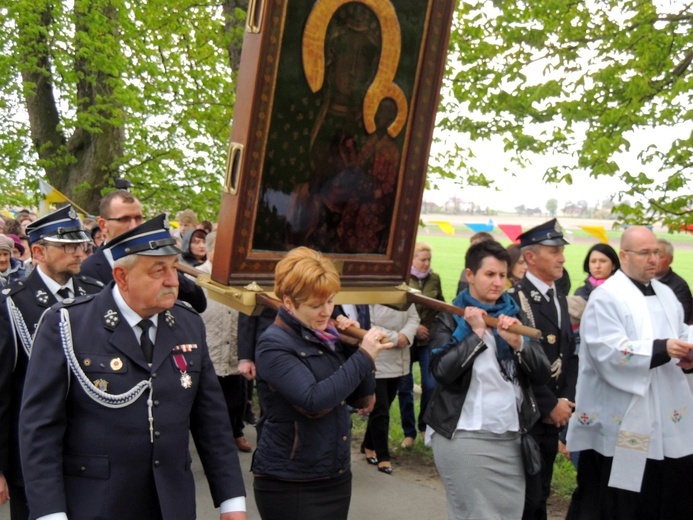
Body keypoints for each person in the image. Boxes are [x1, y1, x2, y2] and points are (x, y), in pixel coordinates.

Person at [18, 214, 247, 520]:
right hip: (95, 504)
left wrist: (232, 501)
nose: (172, 280)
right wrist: (50, 513)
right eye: (158, 270)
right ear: (122, 277)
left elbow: (212, 421)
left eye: (174, 268)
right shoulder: (68, 325)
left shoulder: (187, 323)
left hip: (171, 504)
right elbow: (40, 430)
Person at [251, 246, 392, 520]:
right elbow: (314, 401)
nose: (326, 311)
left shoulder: (327, 336)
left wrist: (351, 346)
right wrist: (364, 355)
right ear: (289, 302)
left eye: (330, 301)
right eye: (316, 305)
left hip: (334, 473)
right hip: (290, 482)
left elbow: (359, 398)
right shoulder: (273, 344)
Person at [566, 226, 693, 520]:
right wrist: (662, 349)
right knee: (618, 503)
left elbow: (681, 333)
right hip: (623, 415)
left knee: (669, 489)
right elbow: (606, 351)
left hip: (666, 411)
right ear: (624, 255)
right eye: (645, 253)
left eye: (656, 252)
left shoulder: (666, 294)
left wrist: (686, 353)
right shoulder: (607, 297)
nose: (653, 259)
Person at [425, 240, 551, 520]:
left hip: (510, 439)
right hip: (466, 437)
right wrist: (477, 334)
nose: (498, 283)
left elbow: (543, 373)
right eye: (489, 274)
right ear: (470, 275)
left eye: (502, 275)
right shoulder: (450, 318)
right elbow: (441, 372)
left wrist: (519, 344)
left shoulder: (514, 317)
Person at [0, 206, 104, 519]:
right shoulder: (12, 304)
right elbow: (2, 393)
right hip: (34, 458)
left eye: (81, 244)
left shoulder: (96, 295)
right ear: (38, 251)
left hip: (93, 454)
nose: (79, 252)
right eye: (68, 246)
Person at [507, 218, 578, 520]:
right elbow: (517, 363)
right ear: (531, 257)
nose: (562, 257)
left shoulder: (558, 296)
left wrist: (565, 402)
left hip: (555, 413)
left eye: (561, 250)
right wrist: (550, 404)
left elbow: (570, 354)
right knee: (527, 497)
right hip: (529, 414)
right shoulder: (515, 301)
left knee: (542, 493)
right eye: (554, 251)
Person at [81, 190, 206, 313]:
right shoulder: (86, 270)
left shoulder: (154, 256)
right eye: (125, 219)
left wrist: (164, 267)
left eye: (138, 218)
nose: (134, 226)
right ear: (103, 225)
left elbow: (198, 302)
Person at [196, 231, 252, 453]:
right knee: (207, 402)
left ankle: (235, 432)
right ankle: (209, 441)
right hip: (207, 348)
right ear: (210, 251)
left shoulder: (241, 277)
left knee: (235, 398)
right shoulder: (195, 276)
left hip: (233, 349)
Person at [361, 303, 419, 474]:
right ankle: (383, 456)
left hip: (399, 360)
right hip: (379, 359)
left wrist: (405, 337)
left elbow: (414, 317)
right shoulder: (372, 295)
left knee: (384, 405)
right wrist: (395, 338)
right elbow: (368, 323)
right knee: (381, 409)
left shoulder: (402, 295)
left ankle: (368, 444)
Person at [399, 242, 444, 448]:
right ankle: (409, 433)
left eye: (429, 260)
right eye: (422, 259)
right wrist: (414, 328)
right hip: (407, 339)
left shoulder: (435, 279)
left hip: (428, 339)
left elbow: (440, 306)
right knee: (405, 387)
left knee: (431, 384)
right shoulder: (401, 279)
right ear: (412, 259)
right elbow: (398, 310)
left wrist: (433, 329)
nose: (426, 264)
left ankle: (424, 426)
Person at [655, 238, 692, 324]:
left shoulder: (679, 286)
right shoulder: (641, 281)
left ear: (670, 260)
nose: (654, 260)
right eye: (651, 255)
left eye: (659, 256)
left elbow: (682, 320)